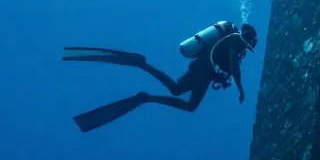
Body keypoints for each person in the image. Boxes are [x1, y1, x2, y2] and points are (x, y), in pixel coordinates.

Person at [63, 23, 258, 133]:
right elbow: (232, 65)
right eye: (253, 41)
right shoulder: (235, 41)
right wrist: (240, 88)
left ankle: (145, 93)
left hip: (205, 72)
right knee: (179, 95)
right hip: (203, 69)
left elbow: (227, 66)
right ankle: (142, 69)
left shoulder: (234, 42)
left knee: (183, 98)